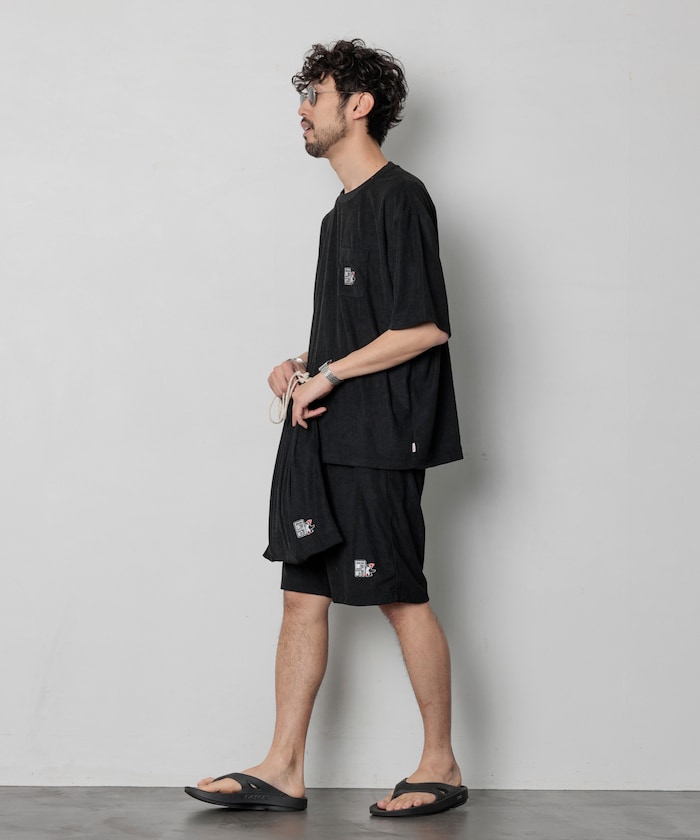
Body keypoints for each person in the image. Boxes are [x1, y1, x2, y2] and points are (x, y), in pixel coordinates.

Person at [185, 38, 466, 818]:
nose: (302, 109)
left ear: (358, 105)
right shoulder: (338, 214)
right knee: (301, 597)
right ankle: (283, 768)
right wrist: (301, 362)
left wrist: (334, 375)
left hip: (379, 438)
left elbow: (424, 327)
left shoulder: (400, 198)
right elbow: (360, 329)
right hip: (320, 433)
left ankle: (440, 764)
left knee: (399, 595)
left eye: (316, 94)